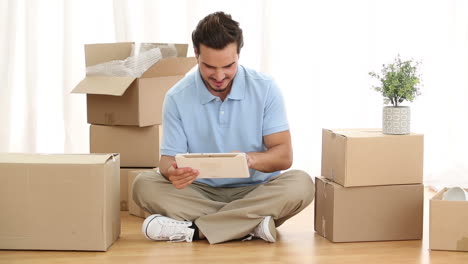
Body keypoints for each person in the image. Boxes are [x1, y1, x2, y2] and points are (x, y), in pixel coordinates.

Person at [132, 11, 315, 244]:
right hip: (200, 192)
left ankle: (195, 230)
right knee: (143, 185)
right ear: (196, 54)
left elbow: (284, 156)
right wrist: (173, 172)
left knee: (302, 183)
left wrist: (249, 160)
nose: (219, 76)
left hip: (255, 190)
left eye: (229, 66)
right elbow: (167, 161)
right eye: (209, 67)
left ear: (239, 54)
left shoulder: (266, 89)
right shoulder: (177, 97)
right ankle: (250, 224)